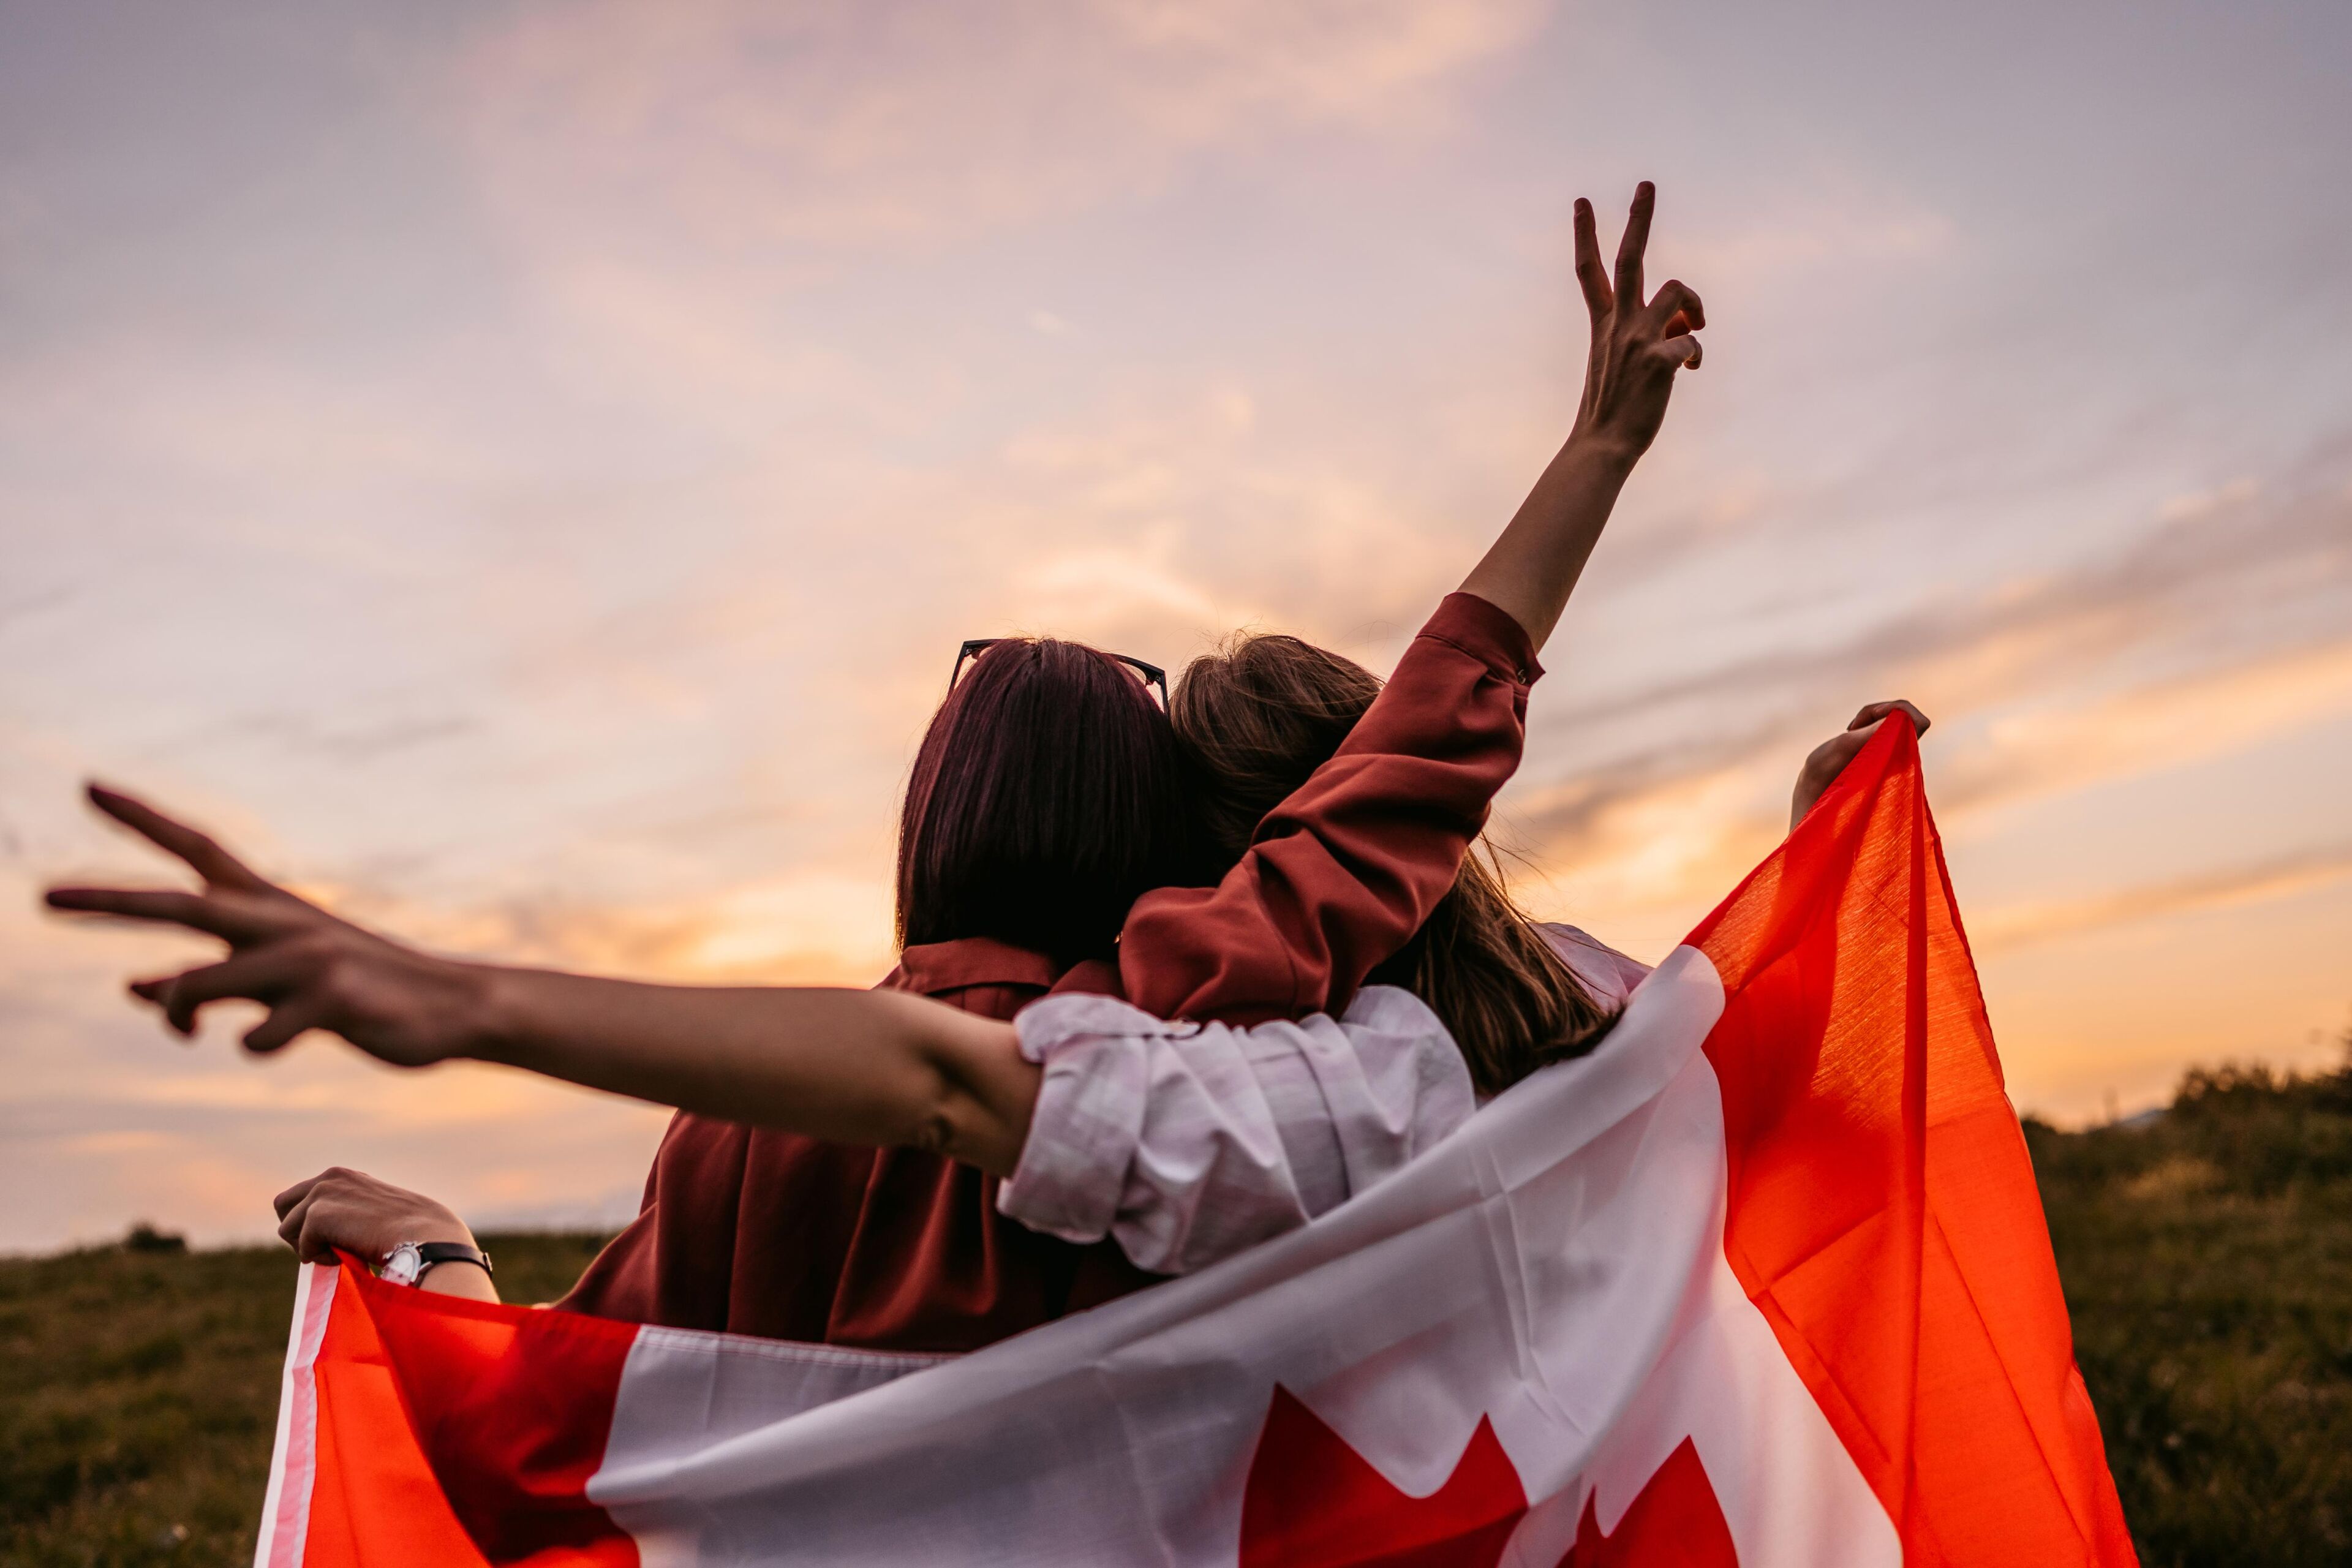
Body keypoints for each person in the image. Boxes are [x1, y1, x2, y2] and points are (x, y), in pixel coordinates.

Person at [49, 183, 1709, 1343]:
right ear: (1147, 836)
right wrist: (1596, 455)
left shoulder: (736, 1132)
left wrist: (436, 1255)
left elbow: (569, 1403)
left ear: (930, 819)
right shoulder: (1176, 1024)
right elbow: (1398, 785)